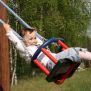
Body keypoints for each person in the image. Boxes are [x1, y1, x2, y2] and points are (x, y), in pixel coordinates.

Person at [2, 23, 91, 70]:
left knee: (74, 50)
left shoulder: (37, 44)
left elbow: (39, 40)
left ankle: (87, 55)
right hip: (52, 63)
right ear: (23, 41)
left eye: (34, 37)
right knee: (72, 52)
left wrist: (35, 34)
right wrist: (8, 31)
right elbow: (16, 42)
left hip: (55, 58)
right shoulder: (26, 49)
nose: (34, 40)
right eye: (30, 39)